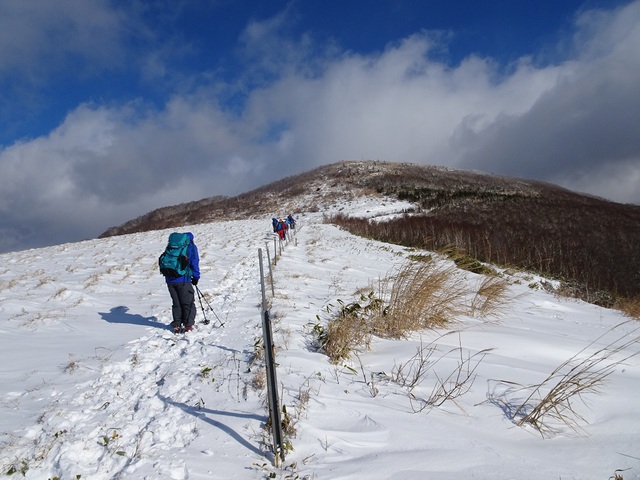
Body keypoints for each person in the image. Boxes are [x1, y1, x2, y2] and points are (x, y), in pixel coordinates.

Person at [165, 232, 200, 333]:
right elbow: (194, 262)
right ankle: (188, 325)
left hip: (169, 279)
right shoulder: (190, 247)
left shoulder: (171, 246)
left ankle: (176, 324)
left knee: (176, 303)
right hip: (183, 280)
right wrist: (196, 277)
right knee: (188, 303)